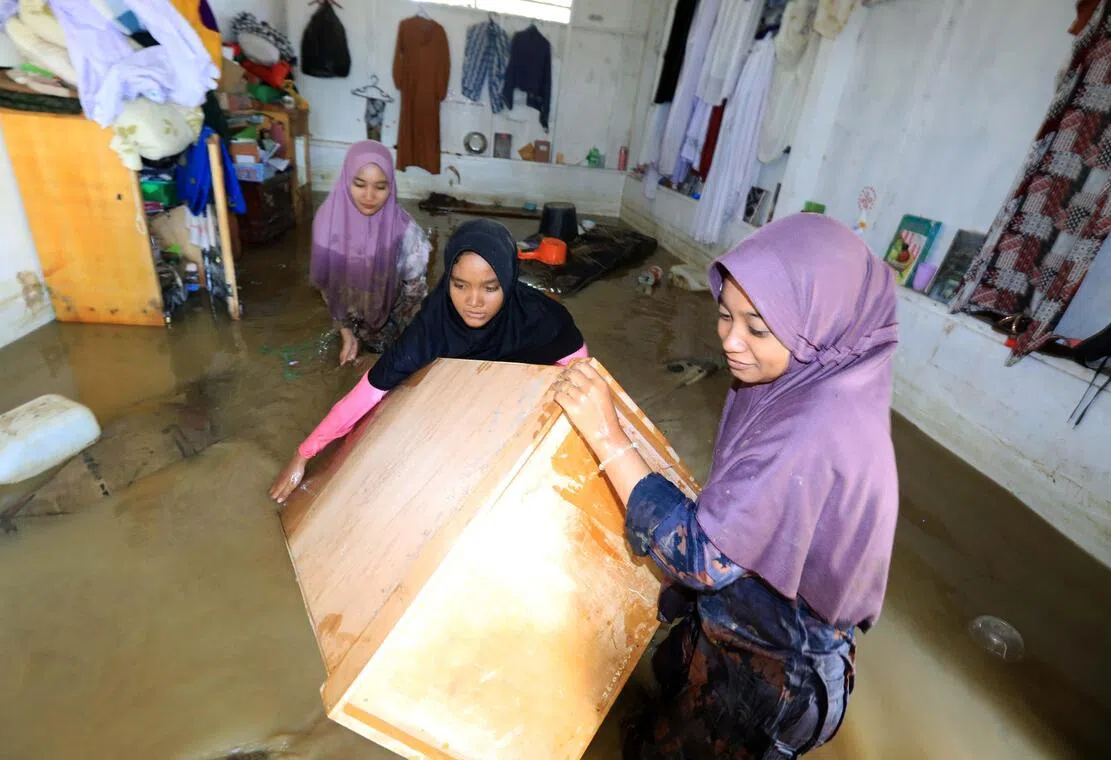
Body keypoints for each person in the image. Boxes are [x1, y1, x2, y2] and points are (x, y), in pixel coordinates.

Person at [553, 213, 899, 758]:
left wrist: (607, 435)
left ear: (819, 322)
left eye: (758, 328)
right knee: (666, 698)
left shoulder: (814, 429)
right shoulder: (807, 377)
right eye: (724, 315)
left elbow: (702, 558)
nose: (731, 342)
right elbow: (739, 513)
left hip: (775, 671)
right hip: (740, 617)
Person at [270, 218, 588, 503]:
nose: (473, 302)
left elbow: (579, 367)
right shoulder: (432, 327)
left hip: (519, 377)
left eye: (490, 288)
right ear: (447, 279)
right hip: (459, 379)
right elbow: (370, 391)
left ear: (508, 278)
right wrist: (303, 454)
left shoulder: (542, 318)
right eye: (459, 285)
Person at [311, 140, 431, 366]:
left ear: (391, 187)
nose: (369, 196)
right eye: (359, 184)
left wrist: (394, 351)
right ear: (346, 180)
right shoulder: (328, 223)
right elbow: (328, 285)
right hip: (351, 318)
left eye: (380, 187)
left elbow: (414, 299)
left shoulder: (406, 233)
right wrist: (346, 331)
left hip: (394, 321)